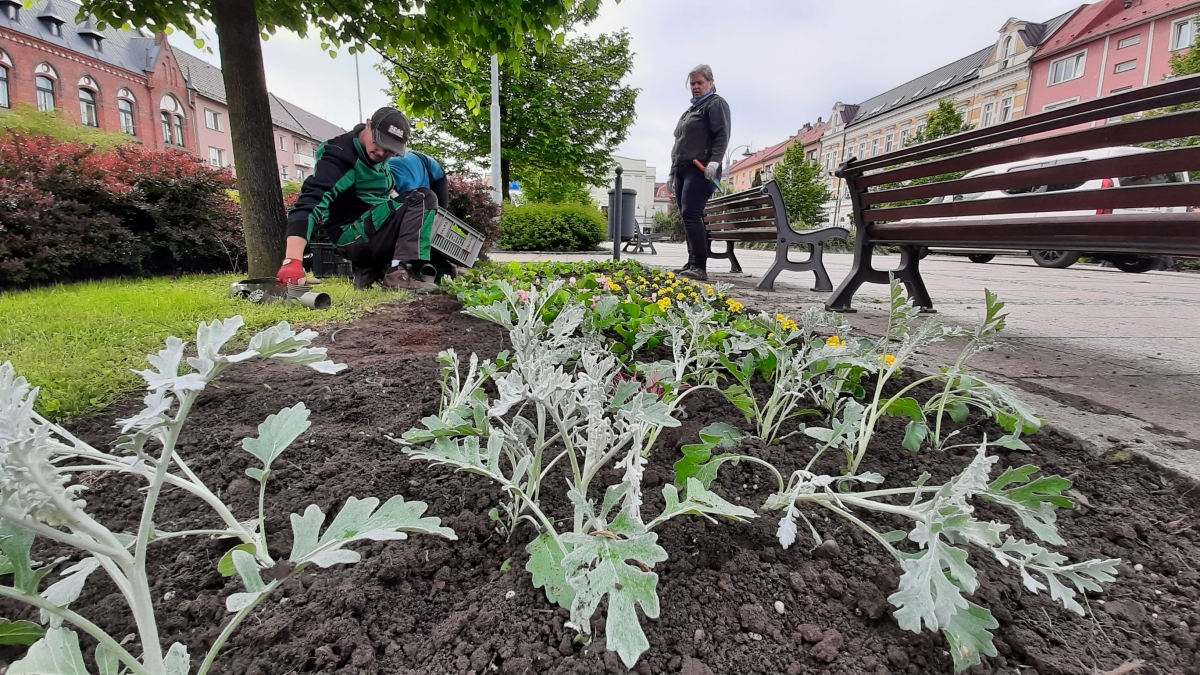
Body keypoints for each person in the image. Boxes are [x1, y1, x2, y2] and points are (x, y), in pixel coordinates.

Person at [277, 106, 438, 292]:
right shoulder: (339, 156)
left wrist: (406, 211)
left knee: (415, 212)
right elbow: (310, 203)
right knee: (423, 197)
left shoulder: (377, 159)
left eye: (390, 150)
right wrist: (293, 260)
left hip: (369, 229)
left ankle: (370, 269)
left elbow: (386, 199)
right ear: (369, 126)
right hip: (350, 236)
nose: (382, 152)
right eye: (380, 142)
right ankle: (396, 272)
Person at [669, 64, 731, 282]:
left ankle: (698, 266)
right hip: (681, 169)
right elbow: (679, 142)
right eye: (693, 84)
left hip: (701, 169)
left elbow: (722, 134)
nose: (695, 87)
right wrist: (671, 173)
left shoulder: (715, 104)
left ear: (710, 83)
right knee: (687, 216)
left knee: (691, 213)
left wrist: (715, 161)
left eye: (700, 83)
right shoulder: (690, 111)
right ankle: (691, 261)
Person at [386, 150, 450, 266]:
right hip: (404, 169)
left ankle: (432, 261)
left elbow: (422, 202)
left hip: (432, 173)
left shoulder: (410, 183)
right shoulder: (379, 177)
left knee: (432, 214)